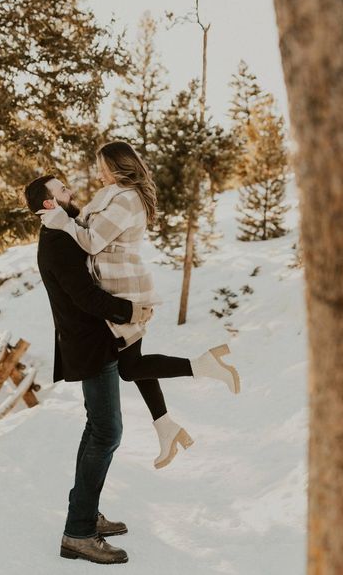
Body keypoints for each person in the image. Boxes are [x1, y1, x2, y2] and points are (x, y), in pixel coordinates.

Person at [37, 141, 241, 471]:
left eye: (102, 166)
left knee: (131, 367)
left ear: (119, 165)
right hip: (116, 285)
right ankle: (166, 427)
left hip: (124, 287)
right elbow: (88, 228)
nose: (98, 172)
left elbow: (90, 240)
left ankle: (203, 366)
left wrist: (61, 221)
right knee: (132, 362)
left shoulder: (127, 199)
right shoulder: (111, 195)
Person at [25, 175, 153, 565]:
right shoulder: (58, 240)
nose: (70, 192)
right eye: (62, 190)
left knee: (96, 428)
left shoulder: (63, 232)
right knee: (108, 432)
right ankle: (78, 533)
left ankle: (84, 511)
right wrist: (129, 310)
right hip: (89, 345)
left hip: (91, 342)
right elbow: (85, 296)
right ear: (49, 204)